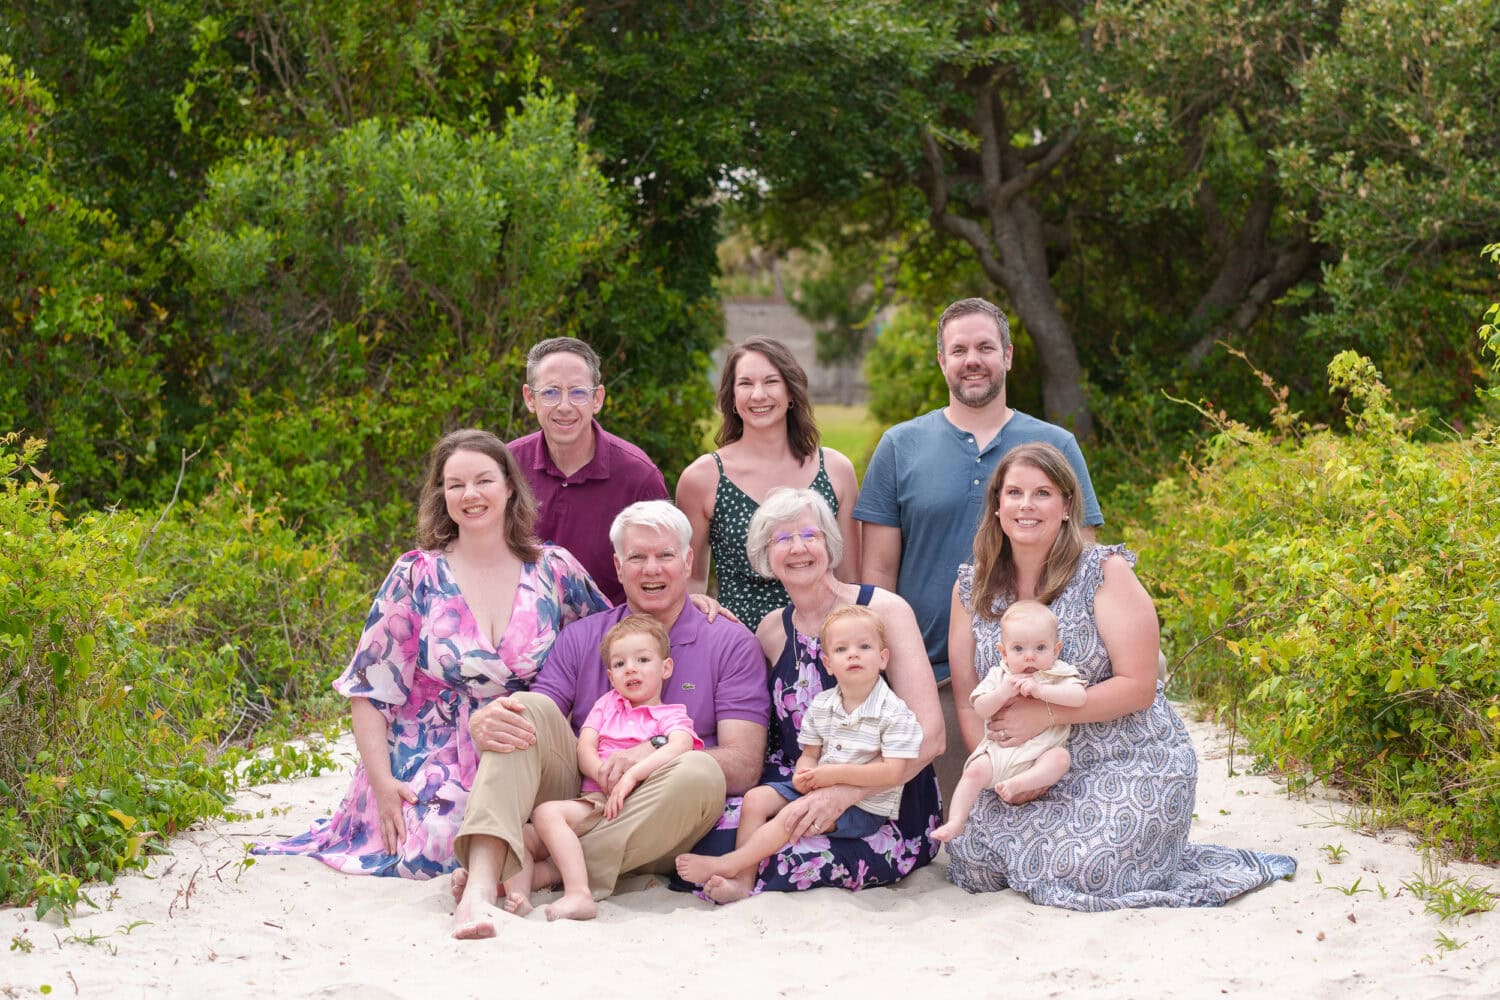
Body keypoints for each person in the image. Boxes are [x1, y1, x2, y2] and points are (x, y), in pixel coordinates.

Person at [944, 443, 1296, 908]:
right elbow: (969, 691)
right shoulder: (974, 586)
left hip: (1126, 755)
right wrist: (998, 765)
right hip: (1027, 762)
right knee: (972, 859)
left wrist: (1045, 714)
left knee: (1086, 867)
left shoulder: (1104, 572)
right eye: (1014, 493)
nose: (1026, 506)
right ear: (997, 505)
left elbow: (1139, 685)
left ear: (1067, 506)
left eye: (1042, 493)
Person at [254, 429, 608, 877]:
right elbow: (369, 690)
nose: (470, 494)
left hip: (523, 744)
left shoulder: (553, 570)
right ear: (442, 495)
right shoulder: (417, 574)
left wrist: (685, 605)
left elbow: (615, 637)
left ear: (510, 486)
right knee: (438, 848)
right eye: (455, 484)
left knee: (517, 832)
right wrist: (383, 786)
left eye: (484, 480)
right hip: (431, 753)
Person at [449, 500, 769, 938]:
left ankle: (536, 864)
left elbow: (745, 764)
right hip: (582, 794)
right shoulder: (584, 636)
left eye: (665, 555)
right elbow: (538, 725)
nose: (651, 569)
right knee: (528, 710)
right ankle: (483, 885)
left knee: (700, 771)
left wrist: (653, 753)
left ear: (689, 561)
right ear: (618, 566)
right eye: (637, 557)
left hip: (658, 815)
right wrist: (486, 721)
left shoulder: (730, 643)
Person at [678, 487, 943, 899]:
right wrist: (699, 609)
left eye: (809, 535)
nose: (797, 548)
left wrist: (844, 794)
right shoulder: (769, 631)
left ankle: (742, 876)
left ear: (830, 545)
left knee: (790, 859)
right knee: (711, 830)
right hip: (804, 782)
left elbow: (932, 735)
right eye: (782, 539)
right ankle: (739, 869)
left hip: (885, 801)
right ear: (766, 556)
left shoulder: (883, 611)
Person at [854, 298, 1103, 683]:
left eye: (985, 348)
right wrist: (888, 673)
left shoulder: (1056, 445)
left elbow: (1083, 560)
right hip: (928, 673)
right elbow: (878, 572)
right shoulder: (899, 446)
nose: (972, 360)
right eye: (959, 350)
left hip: (1040, 671)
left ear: (1007, 356)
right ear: (942, 361)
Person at [675, 605, 922, 901]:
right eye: (842, 649)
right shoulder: (823, 704)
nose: (853, 654)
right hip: (821, 782)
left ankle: (730, 864)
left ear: (883, 658)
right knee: (756, 799)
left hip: (865, 807)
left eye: (864, 646)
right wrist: (804, 771)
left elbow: (892, 772)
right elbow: (810, 752)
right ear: (828, 664)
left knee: (791, 815)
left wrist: (831, 775)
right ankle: (743, 881)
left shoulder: (893, 712)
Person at [516, 616, 702, 921]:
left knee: (546, 813)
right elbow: (584, 746)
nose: (630, 668)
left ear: (665, 668)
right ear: (610, 676)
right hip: (595, 800)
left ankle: (578, 893)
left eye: (642, 659)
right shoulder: (607, 704)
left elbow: (681, 745)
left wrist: (632, 774)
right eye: (619, 664)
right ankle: (518, 896)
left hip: (631, 807)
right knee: (523, 833)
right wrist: (601, 771)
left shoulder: (669, 716)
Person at [677, 337, 860, 626]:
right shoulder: (702, 478)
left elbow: (850, 579)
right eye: (746, 384)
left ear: (791, 393)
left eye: (771, 382)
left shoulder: (836, 470)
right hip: (738, 646)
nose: (758, 395)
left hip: (823, 642)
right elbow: (692, 582)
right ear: (732, 398)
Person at [508, 336, 669, 605]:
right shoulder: (506, 466)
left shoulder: (639, 477)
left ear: (597, 398)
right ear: (529, 398)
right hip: (518, 631)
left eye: (578, 392)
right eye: (550, 392)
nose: (564, 406)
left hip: (609, 635)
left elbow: (662, 575)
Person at [931, 600, 1084, 843]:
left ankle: (1019, 783)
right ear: (1003, 652)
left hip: (1041, 753)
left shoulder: (1057, 673)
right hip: (1001, 752)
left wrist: (1041, 691)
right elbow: (979, 707)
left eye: (1041, 648)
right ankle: (956, 821)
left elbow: (1078, 697)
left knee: (1060, 759)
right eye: (1019, 649)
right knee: (973, 772)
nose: (1030, 656)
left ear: (1056, 650)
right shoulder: (1000, 675)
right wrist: (1002, 693)